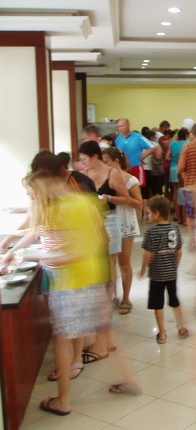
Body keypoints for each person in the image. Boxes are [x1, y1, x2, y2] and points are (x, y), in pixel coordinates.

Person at [22, 171, 111, 417]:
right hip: (63, 275)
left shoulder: (72, 206)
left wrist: (46, 256)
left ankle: (65, 396)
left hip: (71, 277)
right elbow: (34, 232)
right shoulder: (47, 208)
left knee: (64, 337)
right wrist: (10, 249)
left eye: (31, 192)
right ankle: (68, 385)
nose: (29, 197)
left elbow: (87, 246)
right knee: (65, 334)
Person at [78, 141, 129, 301]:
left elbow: (125, 198)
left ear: (95, 156)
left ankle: (110, 297)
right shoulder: (83, 175)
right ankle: (98, 297)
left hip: (109, 219)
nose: (83, 163)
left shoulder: (112, 173)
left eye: (85, 159)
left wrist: (109, 198)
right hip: (90, 222)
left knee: (109, 262)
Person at [140, 195, 188, 344]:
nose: (147, 215)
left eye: (149, 213)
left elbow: (148, 254)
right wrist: (174, 267)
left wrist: (143, 269)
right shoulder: (175, 229)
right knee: (175, 300)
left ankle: (162, 333)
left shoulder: (151, 232)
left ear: (157, 213)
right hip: (171, 274)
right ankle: (181, 327)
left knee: (158, 304)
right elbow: (179, 252)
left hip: (157, 275)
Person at [102, 147, 143, 315]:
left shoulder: (130, 179)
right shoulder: (104, 179)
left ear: (116, 161)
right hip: (109, 223)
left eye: (106, 162)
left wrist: (122, 198)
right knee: (109, 263)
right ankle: (112, 296)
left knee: (124, 263)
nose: (104, 166)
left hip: (125, 222)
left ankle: (126, 298)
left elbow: (139, 204)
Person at [115, 118, 154, 188]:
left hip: (135, 167)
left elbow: (152, 147)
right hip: (123, 169)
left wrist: (143, 156)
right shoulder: (118, 139)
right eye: (118, 126)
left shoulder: (138, 137)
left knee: (137, 189)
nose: (120, 128)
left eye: (122, 126)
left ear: (128, 126)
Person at [166, 127, 189, 224]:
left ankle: (176, 214)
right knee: (183, 191)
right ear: (186, 135)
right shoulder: (187, 143)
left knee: (175, 191)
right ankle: (184, 216)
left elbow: (167, 157)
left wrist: (174, 159)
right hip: (182, 169)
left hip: (173, 168)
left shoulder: (172, 144)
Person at [141, 129, 164, 219]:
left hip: (143, 170)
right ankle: (155, 213)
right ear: (151, 137)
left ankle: (145, 214)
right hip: (153, 171)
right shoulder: (154, 144)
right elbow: (159, 156)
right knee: (155, 192)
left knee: (145, 193)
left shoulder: (141, 145)